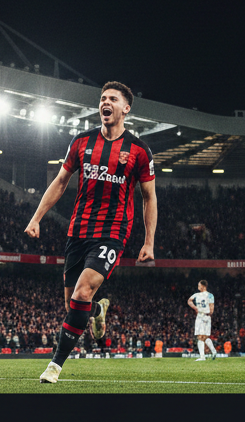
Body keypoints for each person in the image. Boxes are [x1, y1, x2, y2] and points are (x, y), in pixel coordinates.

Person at [25, 81, 157, 384]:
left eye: (112, 99)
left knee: (82, 291)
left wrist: (149, 241)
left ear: (126, 108)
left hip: (113, 232)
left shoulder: (139, 150)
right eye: (102, 98)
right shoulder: (81, 142)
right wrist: (36, 218)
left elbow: (149, 197)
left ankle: (54, 367)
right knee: (75, 305)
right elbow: (60, 182)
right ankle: (99, 310)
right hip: (78, 231)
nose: (105, 103)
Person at [188, 279, 219, 360]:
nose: (198, 286)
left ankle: (202, 357)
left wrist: (195, 308)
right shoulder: (210, 295)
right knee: (204, 336)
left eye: (199, 285)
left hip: (200, 316)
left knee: (200, 337)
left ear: (203, 286)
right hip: (207, 317)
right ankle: (213, 351)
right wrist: (209, 313)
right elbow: (212, 309)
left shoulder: (196, 295)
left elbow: (189, 301)